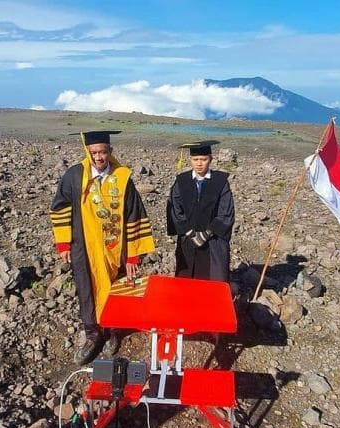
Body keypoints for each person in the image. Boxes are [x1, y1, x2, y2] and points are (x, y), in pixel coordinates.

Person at [50, 131, 155, 365]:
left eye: (103, 152)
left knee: (116, 290)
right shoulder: (75, 175)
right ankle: (93, 335)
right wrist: (64, 242)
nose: (99, 157)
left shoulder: (122, 177)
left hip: (115, 250)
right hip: (83, 247)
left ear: (110, 151)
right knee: (87, 289)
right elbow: (60, 207)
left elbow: (135, 215)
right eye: (94, 152)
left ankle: (112, 331)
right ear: (87, 152)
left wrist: (132, 257)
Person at [167, 140, 235, 281]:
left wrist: (206, 233)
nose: (199, 163)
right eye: (195, 159)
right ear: (190, 160)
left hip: (213, 241)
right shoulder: (181, 181)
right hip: (188, 238)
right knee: (186, 280)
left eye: (203, 159)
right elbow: (175, 207)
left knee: (214, 280)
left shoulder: (221, 181)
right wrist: (189, 231)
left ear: (210, 159)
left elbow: (226, 211)